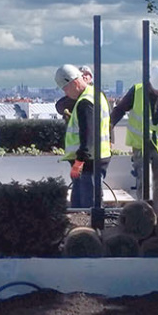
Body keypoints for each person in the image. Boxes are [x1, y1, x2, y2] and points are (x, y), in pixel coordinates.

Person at [110, 62, 158, 201]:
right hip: (141, 145)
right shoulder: (137, 91)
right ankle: (144, 210)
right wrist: (108, 126)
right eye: (157, 88)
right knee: (143, 181)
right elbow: (120, 109)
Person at [55, 64, 110, 208]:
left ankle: (91, 230)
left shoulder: (85, 103)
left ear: (74, 82)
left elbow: (88, 135)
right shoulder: (95, 94)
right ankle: (88, 228)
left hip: (87, 163)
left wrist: (79, 162)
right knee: (82, 203)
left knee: (88, 205)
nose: (66, 93)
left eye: (65, 88)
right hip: (94, 158)